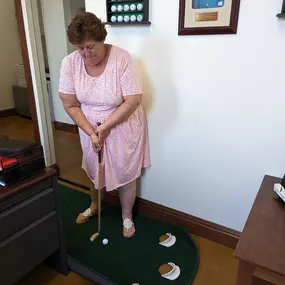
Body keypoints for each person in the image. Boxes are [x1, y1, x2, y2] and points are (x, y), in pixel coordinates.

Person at [58, 12, 151, 238]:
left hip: (122, 124)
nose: (85, 54)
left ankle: (126, 216)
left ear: (101, 39)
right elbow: (70, 104)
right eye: (79, 48)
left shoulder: (121, 58)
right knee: (94, 169)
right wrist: (91, 131)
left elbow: (133, 100)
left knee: (125, 172)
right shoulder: (70, 63)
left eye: (90, 47)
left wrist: (106, 127)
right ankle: (95, 205)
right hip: (89, 127)